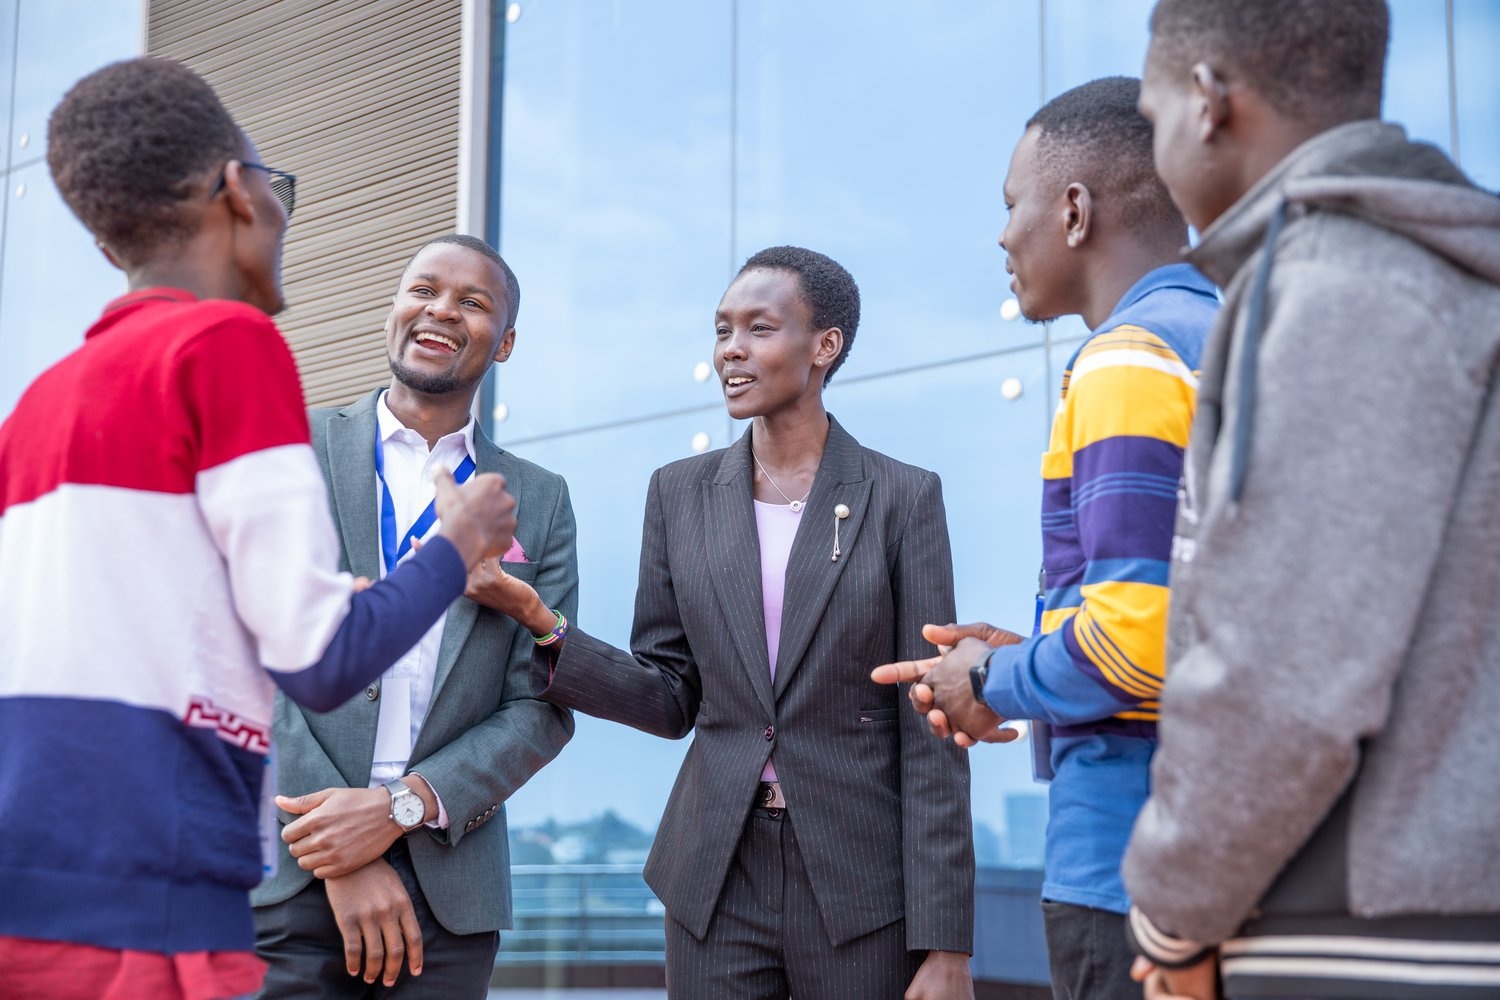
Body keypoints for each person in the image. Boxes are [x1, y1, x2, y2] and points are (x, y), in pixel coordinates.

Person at [0, 59, 517, 1000]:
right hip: (154, 895)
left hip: (29, 892)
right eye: (278, 190)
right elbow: (320, 659)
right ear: (240, 195)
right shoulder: (228, 350)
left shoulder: (40, 402)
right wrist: (460, 543)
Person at [1120, 2, 1500, 998]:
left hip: (1363, 936)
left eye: (1154, 116)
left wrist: (1172, 915)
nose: (1159, 155)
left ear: (1208, 102)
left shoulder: (1341, 287)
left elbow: (1282, 668)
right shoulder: (1438, 277)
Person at [486, 246, 976, 999]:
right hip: (715, 874)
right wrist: (545, 626)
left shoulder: (902, 497)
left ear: (824, 347)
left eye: (759, 328)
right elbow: (671, 693)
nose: (731, 351)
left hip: (858, 882)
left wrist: (946, 945)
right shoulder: (678, 494)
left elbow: (931, 724)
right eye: (722, 331)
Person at [873, 77, 1218, 1000]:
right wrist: (1026, 661)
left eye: (1010, 204)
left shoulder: (1128, 360)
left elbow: (1135, 648)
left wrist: (983, 678)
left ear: (1073, 211)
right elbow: (1187, 625)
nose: (1000, 235)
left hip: (1127, 869)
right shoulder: (1221, 336)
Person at [250, 235, 577, 998]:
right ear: (393, 309)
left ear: (507, 342)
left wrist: (401, 807)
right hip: (282, 874)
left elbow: (543, 704)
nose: (441, 310)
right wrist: (341, 849)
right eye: (423, 290)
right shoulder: (291, 444)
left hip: (447, 893)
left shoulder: (542, 496)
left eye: (473, 302)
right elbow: (233, 649)